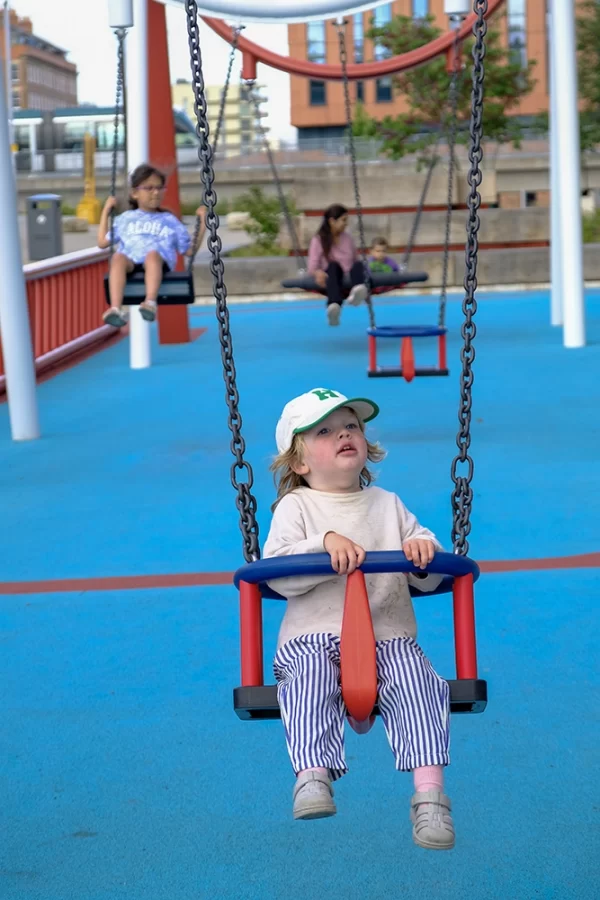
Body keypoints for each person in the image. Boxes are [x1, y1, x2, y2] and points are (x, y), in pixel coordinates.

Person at [263, 387, 455, 850]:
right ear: (300, 462)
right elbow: (277, 571)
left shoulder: (388, 503)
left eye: (352, 425)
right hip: (313, 638)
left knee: (421, 686)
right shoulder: (297, 508)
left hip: (389, 638)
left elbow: (430, 576)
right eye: (324, 431)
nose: (343, 434)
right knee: (306, 682)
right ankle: (313, 775)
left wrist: (422, 554)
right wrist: (323, 543)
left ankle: (429, 797)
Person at [98, 164, 205, 327]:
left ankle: (150, 302)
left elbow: (189, 250)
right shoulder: (125, 218)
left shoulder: (169, 220)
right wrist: (106, 210)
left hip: (158, 263)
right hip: (131, 263)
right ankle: (116, 308)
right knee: (118, 257)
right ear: (135, 193)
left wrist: (203, 223)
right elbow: (103, 242)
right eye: (149, 188)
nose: (155, 192)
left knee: (152, 254)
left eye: (159, 188)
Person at [307, 204, 368, 327]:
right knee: (333, 266)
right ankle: (334, 306)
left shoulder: (347, 238)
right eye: (343, 220)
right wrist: (317, 273)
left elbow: (355, 258)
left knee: (359, 264)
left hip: (350, 274)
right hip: (333, 275)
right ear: (332, 221)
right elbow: (312, 266)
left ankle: (358, 291)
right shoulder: (318, 240)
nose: (346, 224)